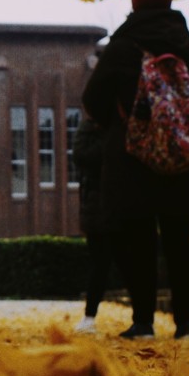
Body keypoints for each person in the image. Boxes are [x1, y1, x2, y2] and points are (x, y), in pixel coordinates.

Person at [81, 0, 189, 339]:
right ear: (170, 1)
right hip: (179, 152)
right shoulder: (183, 45)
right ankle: (185, 324)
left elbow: (93, 99)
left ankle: (143, 322)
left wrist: (119, 120)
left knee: (138, 239)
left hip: (134, 156)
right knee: (178, 240)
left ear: (135, 0)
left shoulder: (125, 45)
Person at [74, 113, 118, 334]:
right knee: (100, 262)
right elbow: (81, 155)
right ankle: (90, 315)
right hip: (98, 204)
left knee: (131, 261)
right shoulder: (91, 127)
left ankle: (143, 318)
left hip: (119, 201)